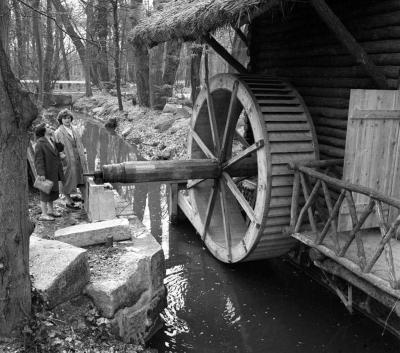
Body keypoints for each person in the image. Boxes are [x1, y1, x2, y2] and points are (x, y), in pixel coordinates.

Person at [55, 109, 88, 209]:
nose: (67, 120)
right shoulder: (58, 132)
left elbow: (80, 143)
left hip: (78, 158)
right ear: (61, 119)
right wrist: (62, 156)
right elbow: (57, 148)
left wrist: (83, 154)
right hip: (67, 160)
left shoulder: (75, 129)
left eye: (69, 118)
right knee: (67, 180)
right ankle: (69, 201)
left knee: (82, 177)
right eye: (64, 118)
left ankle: (85, 198)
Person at [34, 123, 65, 221]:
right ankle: (44, 214)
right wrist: (41, 173)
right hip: (46, 172)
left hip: (54, 170)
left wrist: (56, 140)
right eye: (47, 127)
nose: (50, 127)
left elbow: (61, 148)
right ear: (43, 131)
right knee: (45, 193)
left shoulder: (51, 139)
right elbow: (38, 160)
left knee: (52, 191)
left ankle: (51, 211)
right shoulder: (40, 143)